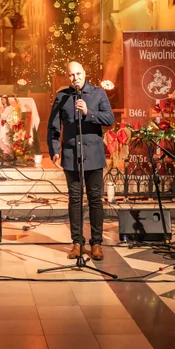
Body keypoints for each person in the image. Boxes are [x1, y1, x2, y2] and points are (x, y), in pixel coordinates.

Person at [48, 61, 114, 261]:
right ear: (67, 77)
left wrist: (88, 113)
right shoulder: (62, 97)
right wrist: (55, 151)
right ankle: (77, 242)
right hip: (70, 156)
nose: (75, 78)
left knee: (95, 200)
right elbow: (53, 127)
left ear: (84, 73)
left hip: (93, 156)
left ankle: (96, 243)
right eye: (71, 75)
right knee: (75, 200)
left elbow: (109, 119)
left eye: (78, 74)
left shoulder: (98, 94)